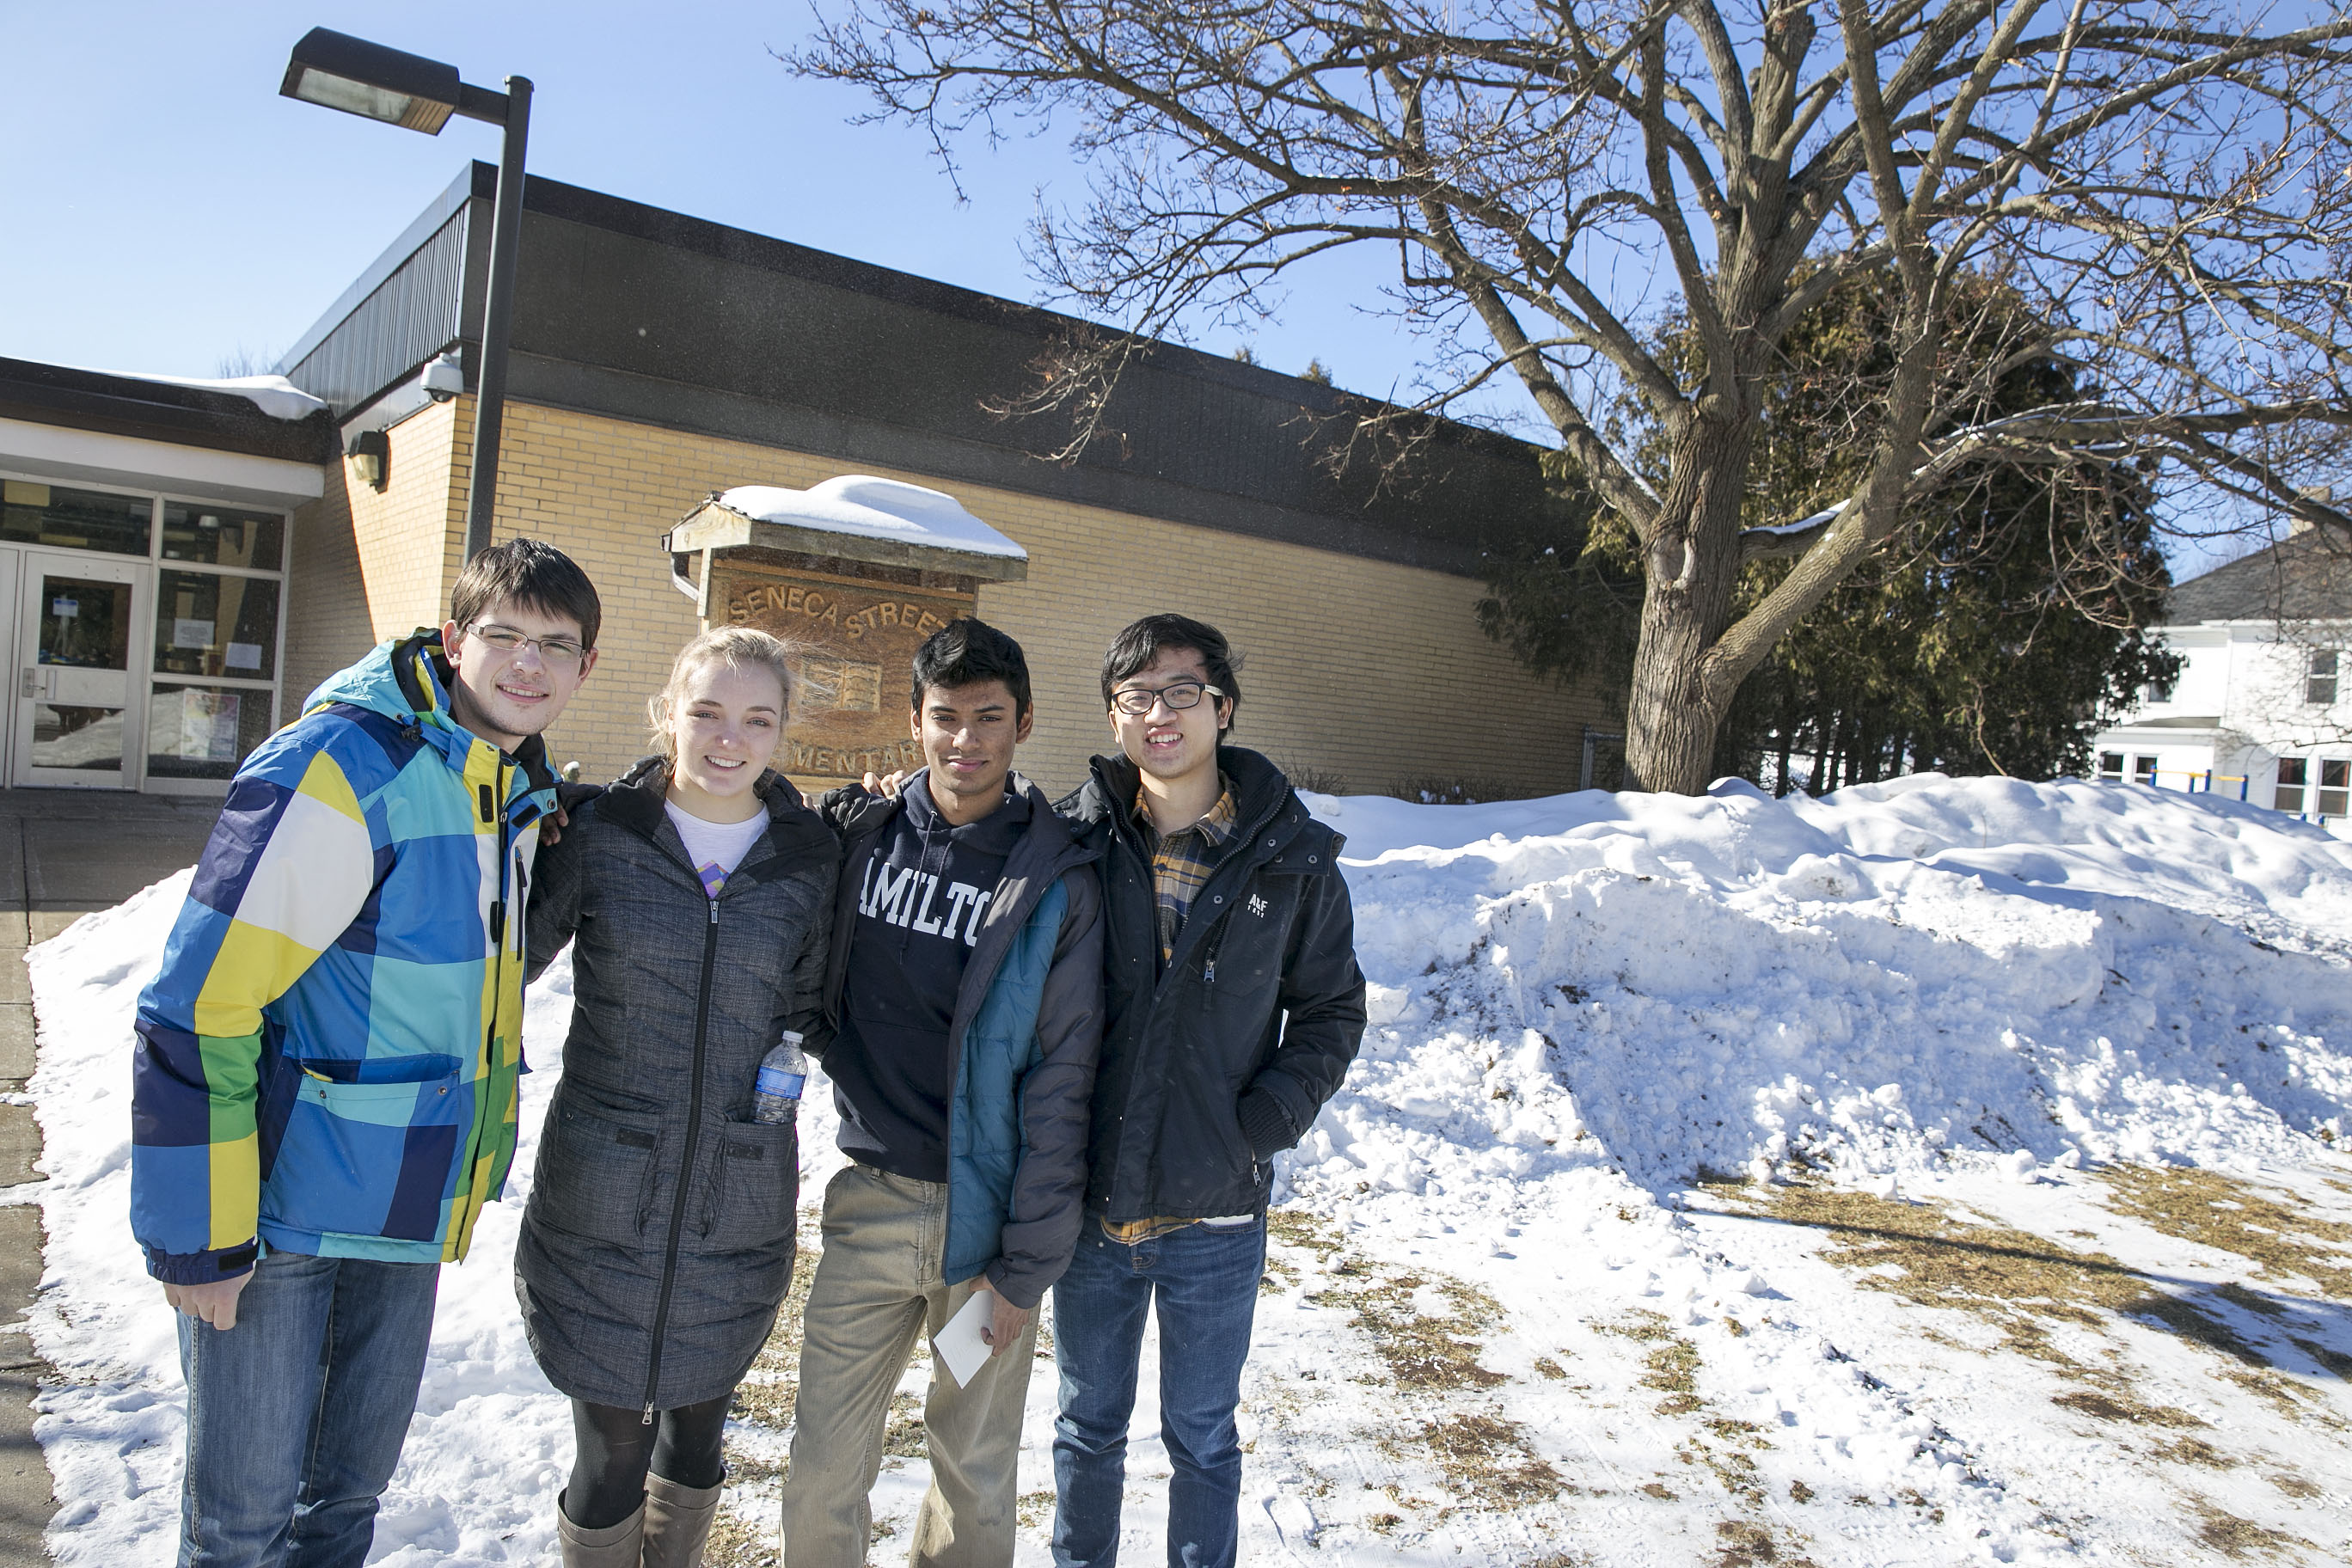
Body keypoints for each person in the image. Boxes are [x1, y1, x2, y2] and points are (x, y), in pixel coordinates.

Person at [131, 540, 601, 1568]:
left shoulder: (507, 790)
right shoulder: (342, 768)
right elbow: (193, 1007)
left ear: (584, 669)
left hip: (403, 1211)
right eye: (505, 637)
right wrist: (200, 1240)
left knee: (344, 1507)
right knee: (242, 1528)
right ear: (452, 642)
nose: (528, 665)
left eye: (556, 647)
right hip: (282, 1223)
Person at [779, 616, 1104, 1568]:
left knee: (972, 1464)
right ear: (913, 721)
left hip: (984, 1239)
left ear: (1025, 722)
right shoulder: (862, 834)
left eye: (988, 718)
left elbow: (1064, 1078)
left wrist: (1023, 1267)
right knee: (826, 1458)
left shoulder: (1054, 878)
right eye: (945, 717)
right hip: (870, 1215)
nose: (966, 741)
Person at [1050, 614, 1366, 1568]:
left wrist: (1259, 1127)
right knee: (1085, 1431)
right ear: (1114, 717)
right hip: (1092, 1210)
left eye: (1181, 692)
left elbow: (1330, 1015)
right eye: (1135, 696)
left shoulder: (1295, 862)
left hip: (1216, 1218)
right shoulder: (1077, 843)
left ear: (1223, 708)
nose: (1159, 714)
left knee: (1202, 1439)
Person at [517, 625, 837, 1567]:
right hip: (601, 1197)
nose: (727, 737)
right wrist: (520, 826)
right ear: (668, 714)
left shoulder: (806, 859)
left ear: (782, 736)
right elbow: (514, 955)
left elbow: (812, 1000)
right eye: (706, 712)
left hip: (731, 1208)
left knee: (697, 1445)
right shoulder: (604, 834)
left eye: (756, 718)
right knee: (611, 1452)